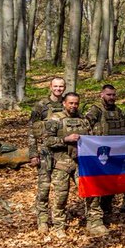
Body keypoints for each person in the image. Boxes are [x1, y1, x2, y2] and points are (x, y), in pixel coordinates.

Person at [43, 92, 103, 234]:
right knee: (61, 197)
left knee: (92, 192)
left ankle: (94, 223)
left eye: (76, 103)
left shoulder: (83, 120)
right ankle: (59, 226)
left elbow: (91, 138)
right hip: (61, 164)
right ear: (64, 103)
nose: (74, 106)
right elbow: (46, 141)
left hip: (81, 163)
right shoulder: (55, 119)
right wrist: (65, 140)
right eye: (71, 103)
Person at [82, 84, 125, 228]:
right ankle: (94, 217)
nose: (111, 97)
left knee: (111, 184)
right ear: (101, 94)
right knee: (98, 185)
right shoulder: (95, 110)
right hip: (99, 155)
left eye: (113, 95)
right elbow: (85, 127)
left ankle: (107, 211)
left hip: (115, 156)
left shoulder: (118, 111)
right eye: (109, 95)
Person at [28, 76, 67, 230]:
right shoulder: (41, 106)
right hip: (44, 152)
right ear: (50, 87)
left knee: (60, 189)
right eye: (56, 86)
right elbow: (32, 131)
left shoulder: (67, 104)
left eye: (61, 86)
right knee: (44, 188)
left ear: (64, 88)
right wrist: (33, 154)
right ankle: (42, 219)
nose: (58, 89)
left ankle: (58, 219)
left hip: (62, 153)